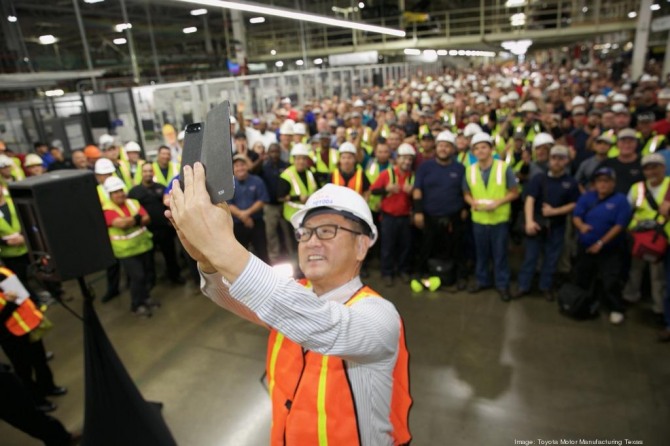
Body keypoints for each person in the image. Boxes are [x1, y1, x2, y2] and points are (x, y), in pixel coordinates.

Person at [169, 171, 412, 445]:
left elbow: (327, 326)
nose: (312, 241)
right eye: (305, 232)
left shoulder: (379, 315)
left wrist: (223, 247)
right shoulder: (294, 294)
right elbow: (235, 297)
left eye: (327, 230)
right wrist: (208, 259)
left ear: (361, 245)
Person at [515, 145, 579, 300]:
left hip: (557, 226)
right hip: (536, 224)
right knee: (530, 257)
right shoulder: (539, 179)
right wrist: (529, 222)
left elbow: (575, 204)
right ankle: (523, 286)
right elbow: (530, 199)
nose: (557, 162)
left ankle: (546, 286)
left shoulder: (571, 182)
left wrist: (554, 212)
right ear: (549, 160)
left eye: (561, 159)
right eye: (554, 158)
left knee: (551, 259)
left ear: (567, 161)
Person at [0, 266, 67, 413]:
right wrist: (11, 303)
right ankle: (36, 400)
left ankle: (48, 387)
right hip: (10, 335)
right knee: (24, 371)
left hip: (29, 325)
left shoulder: (4, 272)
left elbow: (24, 295)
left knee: (40, 360)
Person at [463, 132, 519, 301]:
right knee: (481, 253)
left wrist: (498, 203)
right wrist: (471, 201)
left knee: (500, 253)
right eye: (477, 148)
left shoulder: (503, 167)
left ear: (491, 149)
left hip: (498, 219)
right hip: (479, 220)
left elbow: (514, 192)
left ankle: (502, 285)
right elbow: (466, 192)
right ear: (473, 152)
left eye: (484, 147)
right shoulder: (470, 170)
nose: (480, 151)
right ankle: (482, 281)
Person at [572, 167, 631, 325]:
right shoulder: (587, 197)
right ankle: (581, 303)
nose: (603, 184)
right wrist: (581, 226)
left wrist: (601, 243)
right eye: (599, 181)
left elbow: (619, 225)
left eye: (607, 181)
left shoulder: (621, 201)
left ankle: (616, 309)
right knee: (582, 276)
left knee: (610, 280)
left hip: (610, 249)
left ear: (613, 183)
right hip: (585, 246)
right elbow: (577, 215)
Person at [413, 131, 468, 289]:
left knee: (456, 249)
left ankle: (458, 277)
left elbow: (465, 191)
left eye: (447, 146)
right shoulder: (425, 167)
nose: (443, 149)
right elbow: (417, 190)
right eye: (441, 145)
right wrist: (418, 211)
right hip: (429, 216)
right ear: (436, 147)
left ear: (452, 149)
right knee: (426, 247)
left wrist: (464, 209)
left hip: (453, 217)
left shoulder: (460, 169)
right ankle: (421, 274)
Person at [102, 177, 156, 317]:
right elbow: (121, 224)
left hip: (143, 245)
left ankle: (146, 298)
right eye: (115, 192)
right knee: (137, 277)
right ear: (110, 194)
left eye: (120, 190)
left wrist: (132, 220)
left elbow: (147, 218)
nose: (119, 194)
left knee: (145, 275)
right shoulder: (107, 209)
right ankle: (136, 305)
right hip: (126, 251)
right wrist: (137, 218)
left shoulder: (133, 202)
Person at [623, 154, 668, 320]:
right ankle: (631, 296)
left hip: (662, 239)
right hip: (640, 237)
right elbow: (628, 210)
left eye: (655, 167)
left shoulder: (669, 185)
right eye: (648, 168)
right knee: (635, 269)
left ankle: (659, 308)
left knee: (658, 275)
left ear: (663, 168)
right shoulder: (637, 187)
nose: (652, 171)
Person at [128, 163, 184, 285]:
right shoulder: (134, 192)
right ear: (141, 173)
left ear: (153, 173)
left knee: (170, 255)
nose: (148, 173)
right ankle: (151, 282)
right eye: (145, 171)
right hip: (147, 231)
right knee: (149, 260)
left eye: (150, 171)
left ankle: (175, 276)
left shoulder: (161, 187)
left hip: (165, 230)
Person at [370, 143, 415, 286]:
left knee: (405, 246)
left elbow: (419, 196)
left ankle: (403, 271)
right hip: (388, 217)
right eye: (404, 158)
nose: (406, 162)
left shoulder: (413, 177)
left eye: (409, 159)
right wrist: (386, 189)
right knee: (387, 247)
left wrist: (412, 193)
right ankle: (387, 273)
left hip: (405, 217)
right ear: (397, 159)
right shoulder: (386, 174)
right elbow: (373, 190)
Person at [227, 155, 270, 264]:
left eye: (242, 165)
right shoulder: (229, 185)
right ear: (233, 168)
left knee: (263, 253)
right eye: (236, 166)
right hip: (238, 225)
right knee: (240, 257)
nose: (240, 168)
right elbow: (227, 204)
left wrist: (246, 213)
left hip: (257, 223)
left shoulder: (257, 181)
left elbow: (262, 200)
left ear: (247, 166)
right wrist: (243, 216)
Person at [259, 143, 292, 264]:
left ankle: (291, 254)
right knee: (271, 233)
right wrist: (259, 159)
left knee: (288, 232)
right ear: (268, 153)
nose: (275, 154)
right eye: (272, 152)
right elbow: (252, 171)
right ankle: (274, 257)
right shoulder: (264, 167)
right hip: (270, 206)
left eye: (277, 151)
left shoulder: (286, 165)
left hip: (285, 204)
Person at [598, 128, 644, 194]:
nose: (627, 145)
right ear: (617, 144)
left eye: (630, 142)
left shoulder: (643, 163)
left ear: (636, 143)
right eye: (623, 141)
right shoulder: (608, 163)